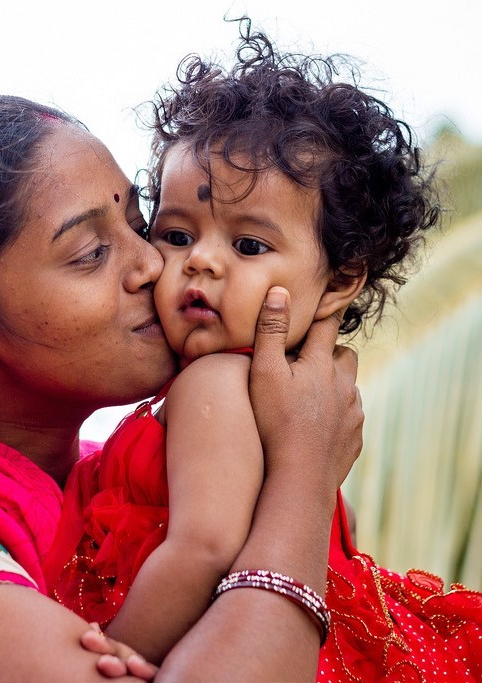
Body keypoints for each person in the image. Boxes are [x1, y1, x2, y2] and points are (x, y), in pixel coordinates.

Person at [0, 93, 364, 682]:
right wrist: (303, 477)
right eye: (92, 253)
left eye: (143, 227)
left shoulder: (127, 483)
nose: (152, 263)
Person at [44, 24, 482, 681]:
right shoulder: (293, 405)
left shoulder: (216, 383)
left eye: (248, 245)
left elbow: (205, 546)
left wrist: (108, 650)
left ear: (338, 279)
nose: (202, 262)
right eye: (174, 233)